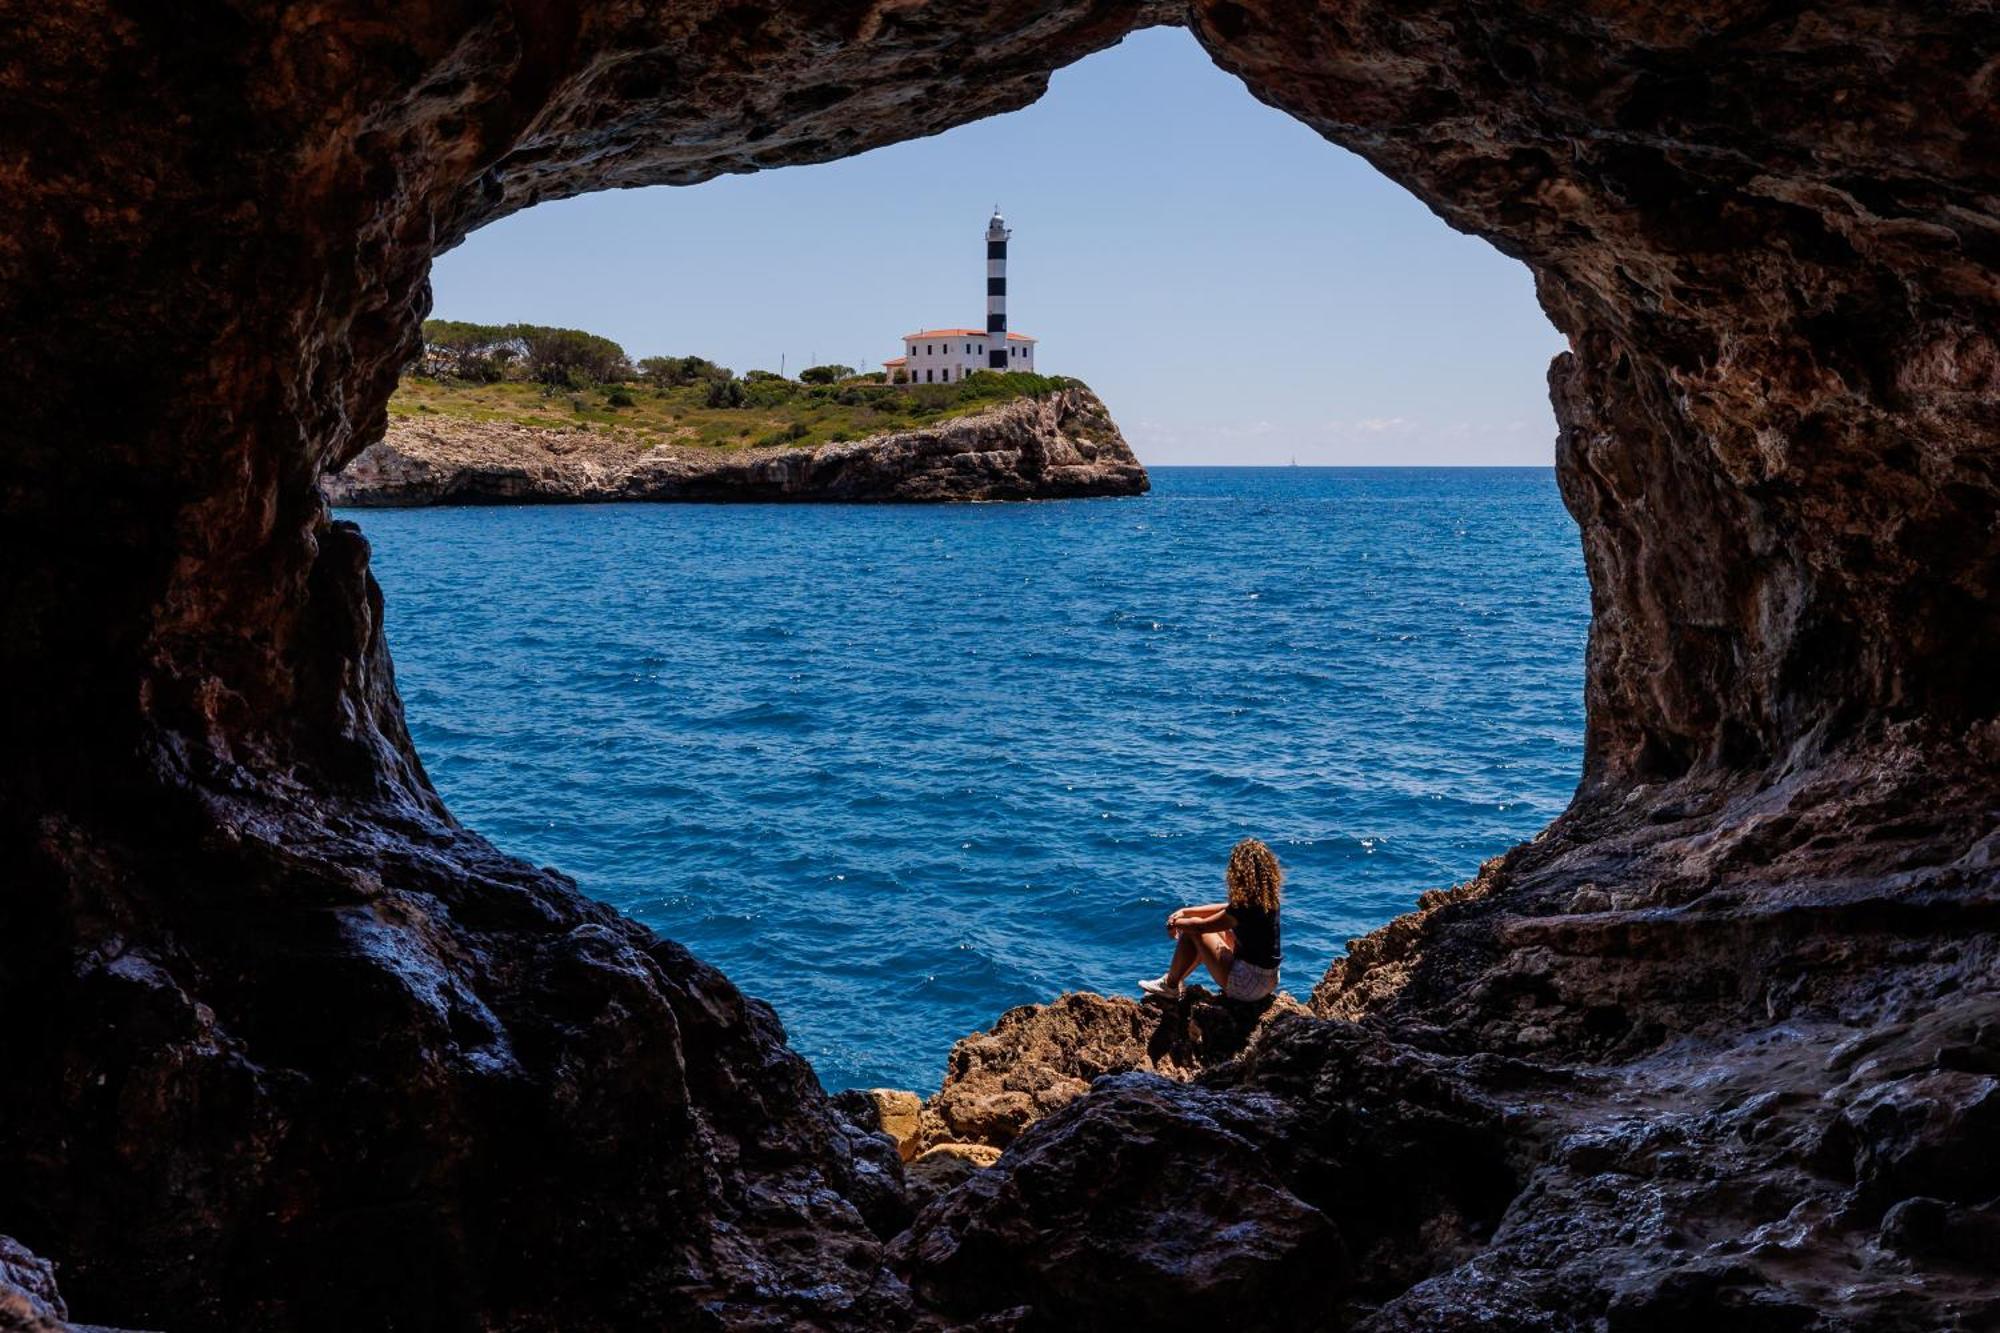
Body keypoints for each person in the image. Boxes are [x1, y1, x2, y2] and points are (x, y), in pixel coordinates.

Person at [1139, 837, 1283, 1003]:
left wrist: (1174, 923)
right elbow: (1226, 908)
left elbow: (1201, 927)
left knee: (1194, 931)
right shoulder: (1267, 900)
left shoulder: (1245, 906)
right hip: (1268, 979)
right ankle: (1172, 982)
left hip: (1248, 986)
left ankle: (1170, 985)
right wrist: (1185, 912)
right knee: (1211, 928)